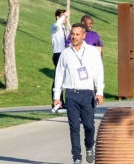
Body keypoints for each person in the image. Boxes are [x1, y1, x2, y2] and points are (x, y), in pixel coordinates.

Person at [53, 23, 104, 164]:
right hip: (71, 95)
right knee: (74, 127)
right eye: (72, 34)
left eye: (77, 34)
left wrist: (99, 92)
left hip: (88, 94)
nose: (74, 37)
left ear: (84, 35)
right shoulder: (65, 53)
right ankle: (76, 157)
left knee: (89, 126)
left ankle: (89, 146)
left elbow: (99, 73)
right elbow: (59, 75)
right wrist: (56, 96)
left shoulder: (93, 51)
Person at [51, 9, 69, 109]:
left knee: (65, 77)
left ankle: (64, 101)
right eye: (62, 16)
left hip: (64, 53)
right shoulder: (55, 27)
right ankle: (57, 100)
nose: (65, 18)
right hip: (58, 54)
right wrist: (64, 15)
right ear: (57, 17)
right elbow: (57, 24)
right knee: (58, 77)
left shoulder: (63, 28)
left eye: (65, 16)